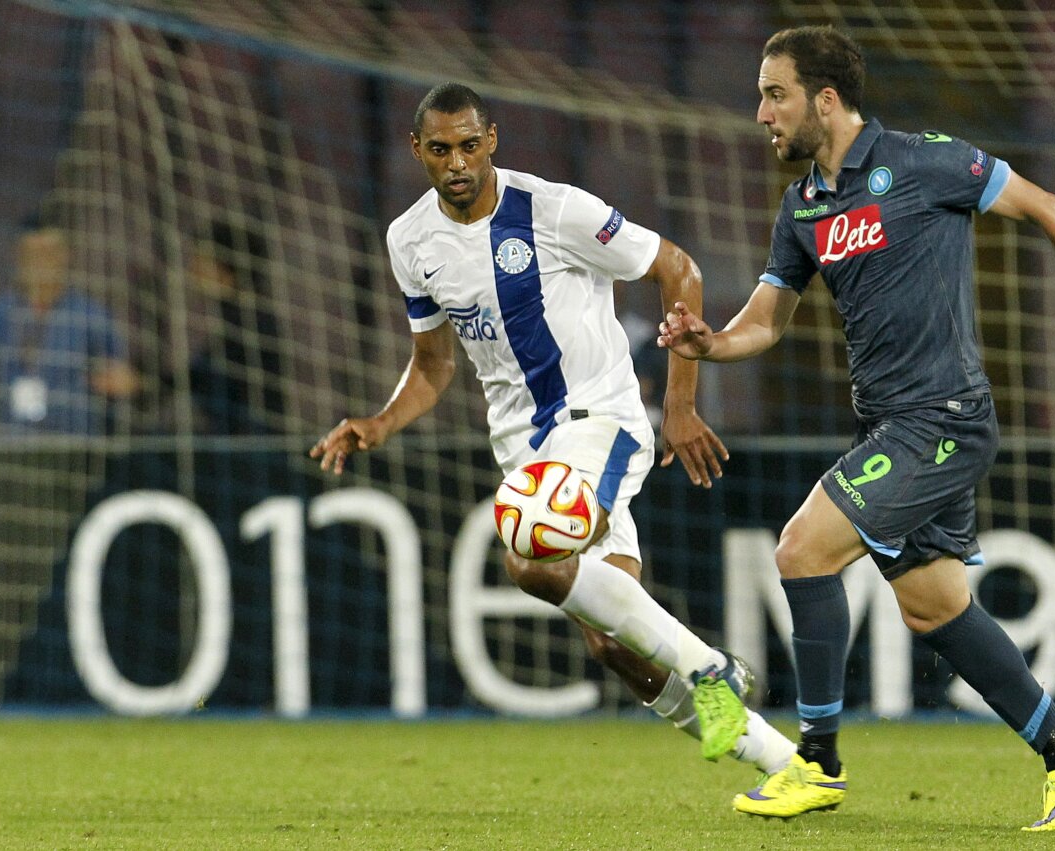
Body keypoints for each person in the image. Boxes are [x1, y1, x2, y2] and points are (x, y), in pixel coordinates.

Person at [658, 26, 1055, 831]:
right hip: (893, 421)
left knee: (799, 550)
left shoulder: (928, 162)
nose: (761, 113)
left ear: (825, 99)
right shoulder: (804, 206)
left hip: (945, 417)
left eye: (774, 93)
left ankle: (816, 762)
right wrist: (709, 343)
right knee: (934, 608)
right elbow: (767, 321)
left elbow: (1052, 208)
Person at [311, 82, 797, 782]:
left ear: (493, 140)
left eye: (471, 146)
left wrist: (681, 404)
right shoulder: (409, 241)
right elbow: (434, 360)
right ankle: (783, 761)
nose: (458, 163)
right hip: (523, 451)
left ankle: (711, 667)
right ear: (417, 149)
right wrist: (379, 421)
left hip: (599, 417)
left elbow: (677, 269)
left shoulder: (554, 209)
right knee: (609, 643)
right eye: (441, 149)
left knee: (531, 558)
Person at [0, 216, 137, 434]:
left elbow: (120, 375)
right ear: (19, 257)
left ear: (66, 255)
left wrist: (119, 381)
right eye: (34, 254)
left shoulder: (91, 316)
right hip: (11, 440)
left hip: (76, 443)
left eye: (51, 253)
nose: (43, 262)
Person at [177, 219, 286, 435]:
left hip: (249, 446)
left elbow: (203, 375)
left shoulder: (251, 322)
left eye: (201, 262)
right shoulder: (239, 316)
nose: (193, 270)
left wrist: (147, 383)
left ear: (226, 269)